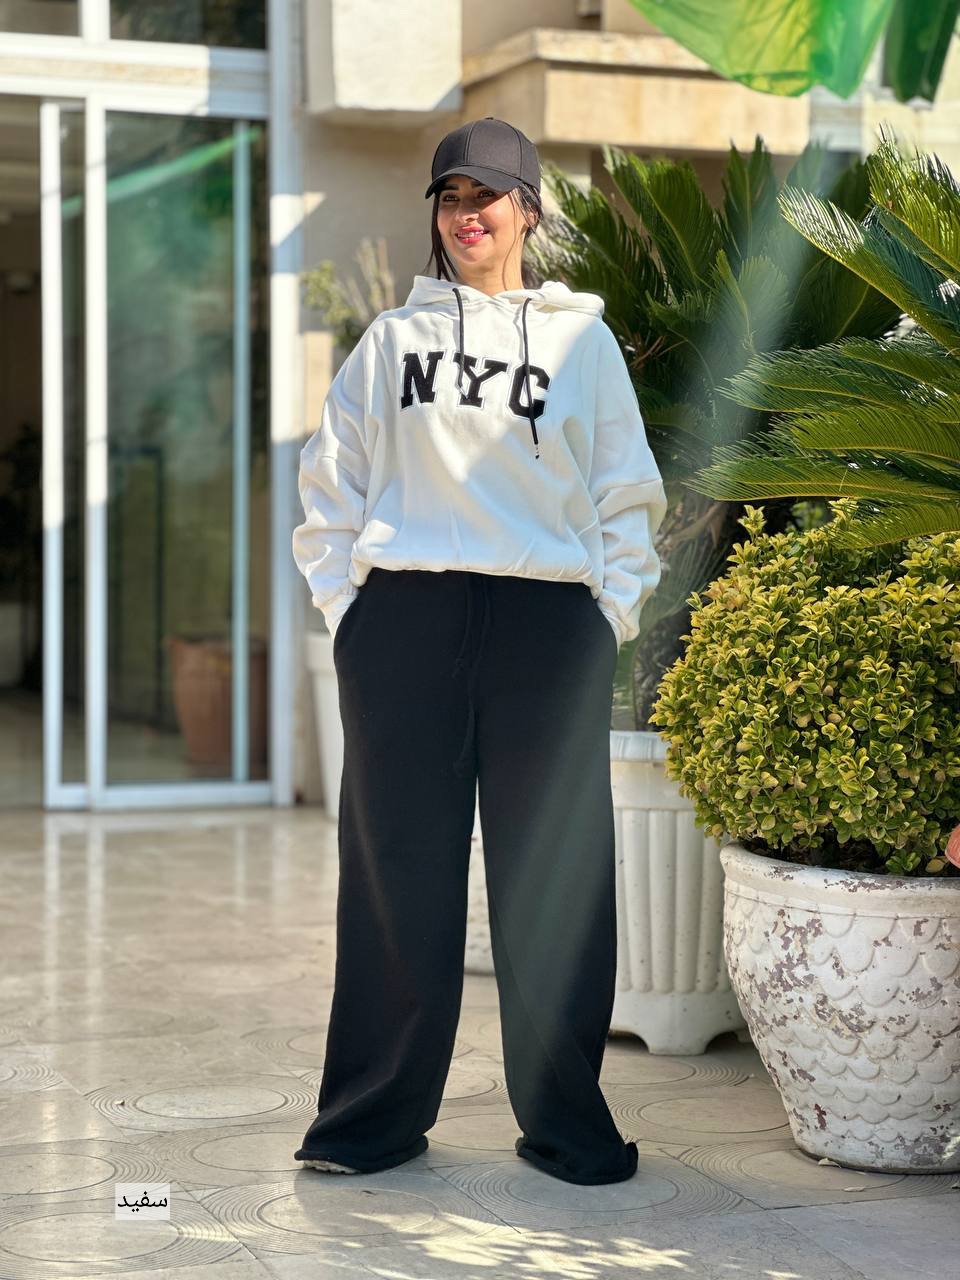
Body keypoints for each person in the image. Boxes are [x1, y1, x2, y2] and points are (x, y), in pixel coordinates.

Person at [291, 116, 667, 1186]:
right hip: (404, 625)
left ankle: (566, 1125)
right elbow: (330, 490)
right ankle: (369, 1121)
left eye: (486, 195)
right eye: (451, 196)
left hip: (547, 630)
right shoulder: (388, 344)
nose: (467, 215)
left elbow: (626, 497)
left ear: (528, 211)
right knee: (395, 875)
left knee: (553, 879)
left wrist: (604, 620)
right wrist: (353, 617)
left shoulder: (582, 345)